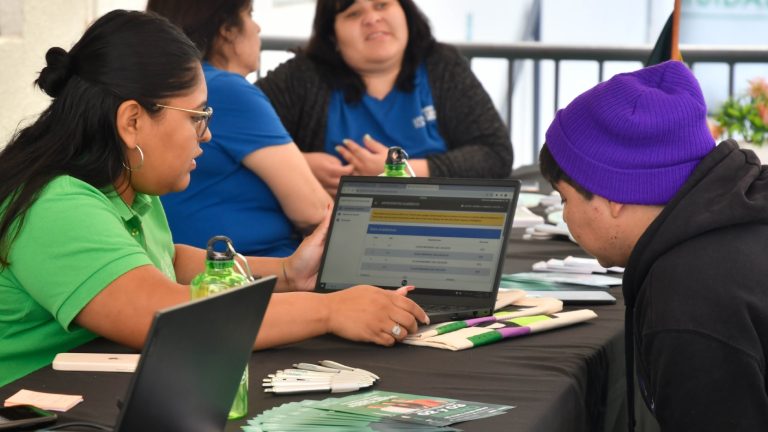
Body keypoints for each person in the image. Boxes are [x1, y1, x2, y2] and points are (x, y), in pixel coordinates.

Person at [0, 10, 428, 388]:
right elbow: (164, 314)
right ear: (132, 121)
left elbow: (164, 261)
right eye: (197, 117)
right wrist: (329, 311)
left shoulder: (122, 188)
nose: (206, 135)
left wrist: (286, 274)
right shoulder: (56, 205)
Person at [539, 60, 768, 430]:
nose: (565, 217)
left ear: (614, 196)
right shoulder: (743, 215)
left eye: (564, 199)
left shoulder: (688, 300)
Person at [257, 0, 513, 195]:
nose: (371, 18)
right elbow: (233, 131)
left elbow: (495, 155)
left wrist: (401, 171)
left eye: (382, 4)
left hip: (438, 226)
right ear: (332, 35)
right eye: (353, 13)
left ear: (405, 12)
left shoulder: (442, 65)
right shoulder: (302, 76)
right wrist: (297, 164)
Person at [147, 0, 331, 257]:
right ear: (227, 29)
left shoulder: (166, 89)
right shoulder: (227, 90)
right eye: (249, 14)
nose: (256, 27)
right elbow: (314, 211)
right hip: (254, 270)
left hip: (200, 265)